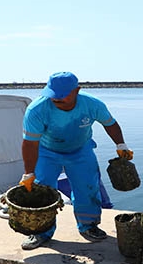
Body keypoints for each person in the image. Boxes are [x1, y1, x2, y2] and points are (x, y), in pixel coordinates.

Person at [18, 71, 134, 250]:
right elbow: (30, 144)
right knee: (42, 190)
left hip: (81, 150)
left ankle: (88, 226)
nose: (56, 99)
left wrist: (121, 145)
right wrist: (29, 173)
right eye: (53, 95)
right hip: (47, 152)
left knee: (88, 187)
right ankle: (41, 232)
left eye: (62, 96)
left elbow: (110, 123)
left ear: (77, 90)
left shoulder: (92, 104)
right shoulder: (36, 110)